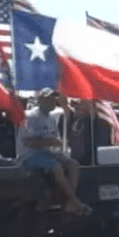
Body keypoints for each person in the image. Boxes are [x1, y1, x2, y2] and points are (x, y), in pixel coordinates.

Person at [18, 88, 90, 216]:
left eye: (54, 98)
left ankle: (69, 203)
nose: (53, 101)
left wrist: (55, 144)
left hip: (47, 153)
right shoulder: (30, 116)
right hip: (29, 155)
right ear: (40, 99)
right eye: (49, 98)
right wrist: (50, 142)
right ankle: (76, 202)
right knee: (56, 167)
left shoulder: (51, 118)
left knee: (73, 164)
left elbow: (53, 140)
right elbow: (28, 143)